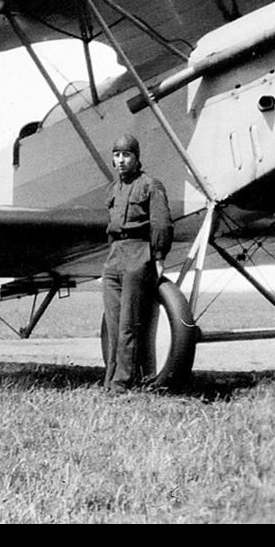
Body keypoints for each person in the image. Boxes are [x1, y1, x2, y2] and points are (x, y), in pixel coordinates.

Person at [101, 133, 173, 392]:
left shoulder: (151, 185)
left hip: (138, 253)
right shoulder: (112, 189)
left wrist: (159, 256)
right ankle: (111, 380)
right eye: (117, 155)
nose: (120, 160)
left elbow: (161, 223)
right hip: (114, 257)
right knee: (114, 325)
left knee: (129, 325)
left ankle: (123, 384)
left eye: (126, 155)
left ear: (136, 158)